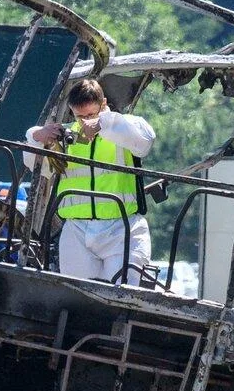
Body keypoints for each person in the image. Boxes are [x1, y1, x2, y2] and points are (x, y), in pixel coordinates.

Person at [26, 77, 158, 283]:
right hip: (77, 230)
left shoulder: (123, 127)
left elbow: (145, 140)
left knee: (120, 294)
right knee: (77, 297)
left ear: (103, 104)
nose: (85, 121)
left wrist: (102, 123)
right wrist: (36, 136)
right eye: (80, 116)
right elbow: (38, 167)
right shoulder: (67, 137)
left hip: (121, 229)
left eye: (91, 114)